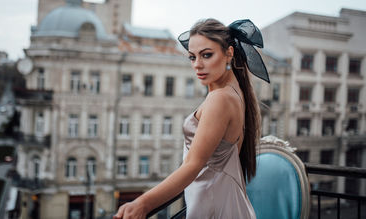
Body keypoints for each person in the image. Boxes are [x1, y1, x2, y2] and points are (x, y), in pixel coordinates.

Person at [114, 18, 270, 219]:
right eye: (192, 57)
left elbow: (193, 165)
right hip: (218, 201)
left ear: (229, 53)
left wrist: (143, 204)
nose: (197, 65)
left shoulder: (220, 98)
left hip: (214, 206)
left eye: (206, 55)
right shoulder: (232, 91)